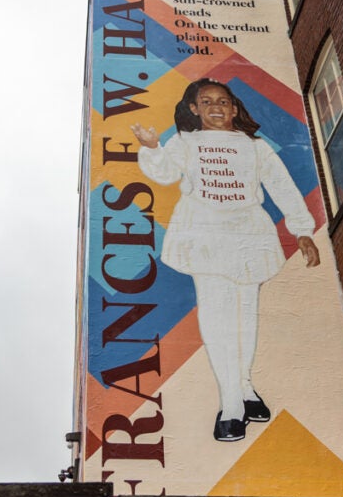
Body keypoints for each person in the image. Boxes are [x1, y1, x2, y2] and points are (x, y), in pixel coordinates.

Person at [131, 78, 320, 442]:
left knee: (245, 316)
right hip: (203, 234)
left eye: (222, 101)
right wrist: (153, 147)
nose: (216, 107)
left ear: (234, 109)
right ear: (194, 109)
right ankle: (231, 405)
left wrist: (302, 231)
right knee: (218, 317)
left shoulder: (256, 147)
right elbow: (165, 172)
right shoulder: (186, 142)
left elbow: (282, 186)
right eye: (207, 102)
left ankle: (245, 386)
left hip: (248, 234)